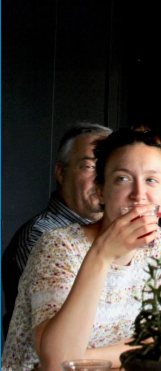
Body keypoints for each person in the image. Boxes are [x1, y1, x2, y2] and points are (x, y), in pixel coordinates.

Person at [1, 129, 161, 371]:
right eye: (123, 179)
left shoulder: (158, 243)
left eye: (151, 180)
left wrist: (86, 358)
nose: (139, 195)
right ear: (101, 191)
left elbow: (153, 341)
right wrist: (101, 255)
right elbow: (58, 368)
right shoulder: (58, 245)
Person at [2, 124, 112, 338]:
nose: (101, 179)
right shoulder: (43, 236)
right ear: (62, 173)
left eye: (109, 168)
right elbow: (77, 332)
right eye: (90, 167)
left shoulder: (118, 233)